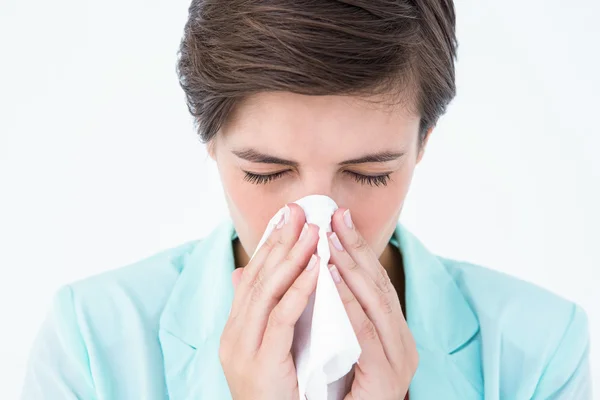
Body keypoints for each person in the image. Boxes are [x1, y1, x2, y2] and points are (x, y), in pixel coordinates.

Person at [22, 0, 591, 399]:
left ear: (421, 146)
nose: (317, 222)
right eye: (266, 173)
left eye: (369, 173)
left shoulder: (538, 352)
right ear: (211, 144)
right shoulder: (91, 345)